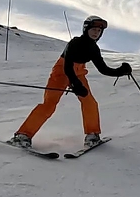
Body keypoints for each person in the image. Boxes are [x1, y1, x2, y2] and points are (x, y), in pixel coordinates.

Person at [10, 16, 130, 150]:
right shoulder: (75, 43)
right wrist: (76, 84)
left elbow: (103, 69)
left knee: (90, 102)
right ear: (86, 29)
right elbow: (67, 67)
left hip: (79, 73)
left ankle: (92, 135)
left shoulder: (94, 49)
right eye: (93, 29)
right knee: (49, 104)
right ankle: (22, 135)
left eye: (99, 31)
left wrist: (121, 71)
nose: (96, 33)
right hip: (61, 72)